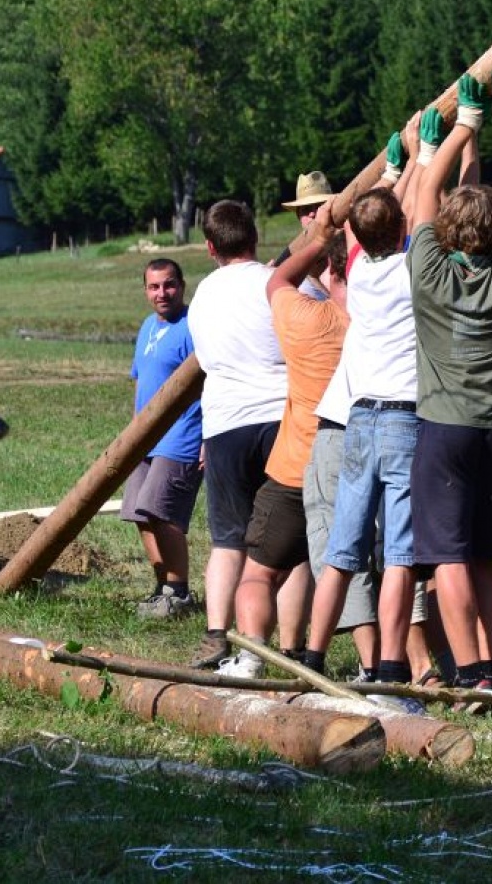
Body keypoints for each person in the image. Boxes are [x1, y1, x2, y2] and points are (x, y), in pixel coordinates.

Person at [407, 69, 492, 700]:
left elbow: (426, 193)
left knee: (449, 555)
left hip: (444, 432)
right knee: (483, 555)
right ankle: (491, 664)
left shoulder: (428, 270)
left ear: (445, 232)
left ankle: (470, 671)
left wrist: (462, 127)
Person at [299, 185, 426, 709]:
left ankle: (311, 658)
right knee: (398, 553)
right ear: (402, 230)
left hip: (358, 418)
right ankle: (390, 669)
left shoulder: (357, 270)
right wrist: (426, 156)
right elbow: (422, 206)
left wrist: (396, 168)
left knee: (341, 551)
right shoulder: (412, 268)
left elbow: (361, 226)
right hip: (402, 417)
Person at [218, 211, 349, 679]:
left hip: (295, 466)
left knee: (260, 571)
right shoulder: (376, 322)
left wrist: (317, 240)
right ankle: (375, 668)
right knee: (355, 573)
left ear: (325, 269)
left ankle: (252, 657)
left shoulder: (303, 318)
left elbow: (277, 279)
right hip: (354, 466)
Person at [185, 199, 302, 668]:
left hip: (225, 424)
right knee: (291, 542)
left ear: (210, 247)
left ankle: (217, 635)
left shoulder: (202, 296)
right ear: (255, 237)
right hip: (280, 418)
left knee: (228, 539)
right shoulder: (277, 284)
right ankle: (292, 647)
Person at [122, 258, 204, 619]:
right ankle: (162, 588)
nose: (162, 293)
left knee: (161, 510)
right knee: (139, 512)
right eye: (154, 287)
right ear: (145, 291)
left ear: (182, 286)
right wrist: (134, 430)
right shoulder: (146, 326)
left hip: (182, 434)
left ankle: (179, 591)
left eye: (169, 285)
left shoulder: (194, 326)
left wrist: (207, 438)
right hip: (145, 438)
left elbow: (210, 382)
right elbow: (141, 379)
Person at [280, 171, 337, 300]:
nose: (312, 214)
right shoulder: (290, 267)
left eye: (319, 207)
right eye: (306, 209)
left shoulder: (348, 249)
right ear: (298, 216)